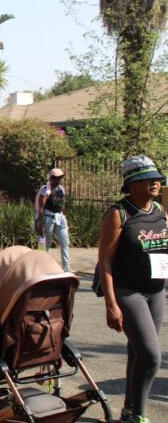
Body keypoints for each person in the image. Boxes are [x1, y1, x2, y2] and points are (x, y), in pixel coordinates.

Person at [98, 155, 167, 423]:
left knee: (137, 351)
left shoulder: (160, 210)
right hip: (129, 292)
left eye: (156, 178)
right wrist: (111, 304)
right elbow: (104, 261)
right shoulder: (119, 213)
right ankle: (138, 415)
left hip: (157, 290)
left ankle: (128, 410)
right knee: (150, 356)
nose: (154, 182)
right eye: (145, 179)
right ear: (131, 184)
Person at [36, 167, 70, 272]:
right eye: (56, 178)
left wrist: (65, 217)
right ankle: (40, 265)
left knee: (65, 242)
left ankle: (66, 267)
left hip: (60, 218)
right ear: (51, 178)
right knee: (46, 242)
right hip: (48, 218)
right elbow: (41, 208)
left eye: (60, 177)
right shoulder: (45, 190)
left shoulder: (62, 189)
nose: (58, 180)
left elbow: (62, 204)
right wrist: (40, 225)